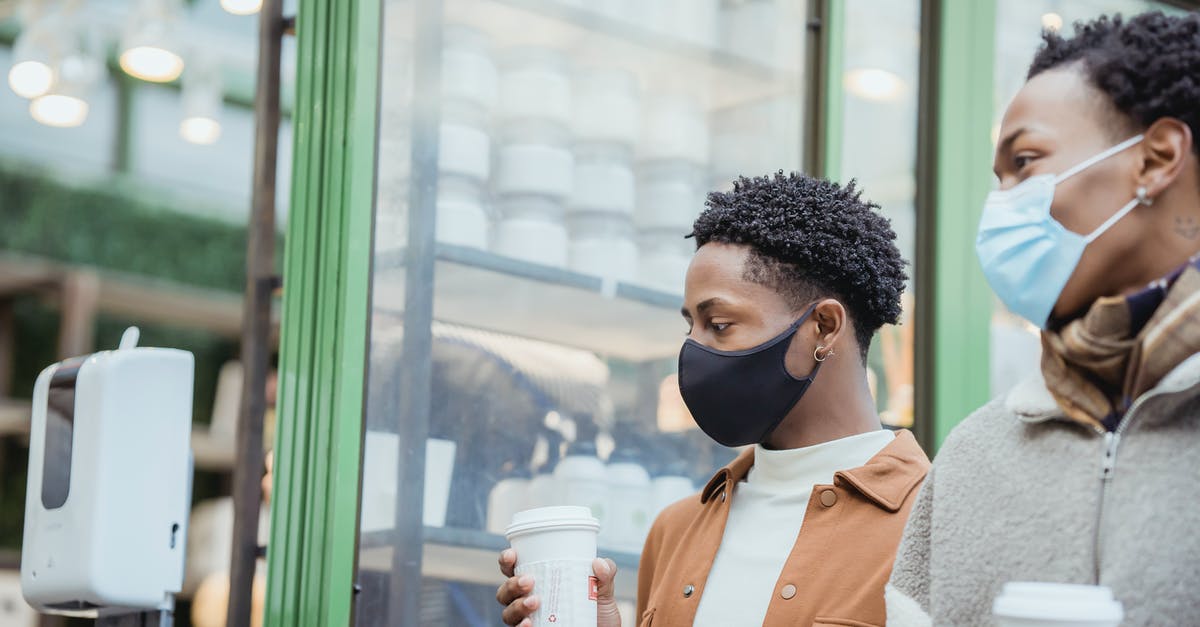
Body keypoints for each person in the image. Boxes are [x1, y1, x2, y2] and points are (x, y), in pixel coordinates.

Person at [497, 172, 930, 626]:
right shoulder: (676, 531)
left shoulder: (934, 525)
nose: (693, 352)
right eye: (691, 327)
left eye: (719, 325)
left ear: (823, 326)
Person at [886, 12, 1200, 626]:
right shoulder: (974, 454)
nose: (999, 207)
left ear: (1157, 159)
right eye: (997, 181)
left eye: (1025, 162)